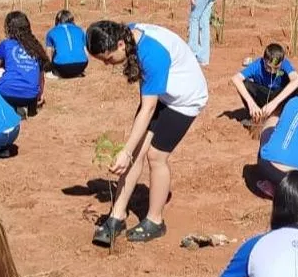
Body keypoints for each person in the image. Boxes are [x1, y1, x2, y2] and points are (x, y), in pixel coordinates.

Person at [86, 20, 208, 244]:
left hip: (185, 99)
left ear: (120, 45)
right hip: (162, 92)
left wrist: (125, 152)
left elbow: (148, 108)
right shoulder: (127, 35)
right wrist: (129, 151)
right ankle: (117, 215)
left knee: (156, 155)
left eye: (108, 59)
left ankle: (155, 221)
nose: (107, 64)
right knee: (136, 151)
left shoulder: (152, 54)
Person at [0, 11, 49, 117]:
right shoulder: (36, 47)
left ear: (8, 28)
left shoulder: (6, 44)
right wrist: (39, 95)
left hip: (7, 93)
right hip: (31, 96)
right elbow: (40, 77)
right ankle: (29, 109)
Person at [230, 43, 298, 126]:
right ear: (264, 60)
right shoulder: (257, 64)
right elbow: (236, 79)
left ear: (282, 62)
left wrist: (274, 103)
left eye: (276, 68)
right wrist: (251, 104)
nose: (272, 72)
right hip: (263, 97)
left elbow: (297, 80)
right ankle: (256, 118)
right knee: (244, 84)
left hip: (280, 98)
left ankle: (280, 115)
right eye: (268, 67)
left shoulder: (285, 63)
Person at [44, 9, 88, 79]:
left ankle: (53, 73)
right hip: (82, 65)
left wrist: (48, 69)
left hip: (62, 67)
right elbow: (85, 51)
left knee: (56, 50)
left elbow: (48, 53)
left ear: (57, 20)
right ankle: (77, 72)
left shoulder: (51, 32)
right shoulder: (80, 30)